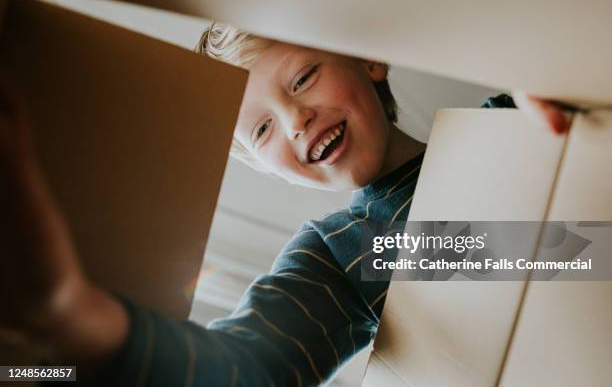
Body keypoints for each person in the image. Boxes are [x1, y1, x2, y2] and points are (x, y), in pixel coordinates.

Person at [0, 23, 570, 386]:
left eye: (304, 77)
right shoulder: (338, 254)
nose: (296, 122)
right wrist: (72, 315)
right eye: (264, 129)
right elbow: (250, 369)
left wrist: (570, 86)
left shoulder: (508, 121)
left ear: (370, 57)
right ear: (266, 166)